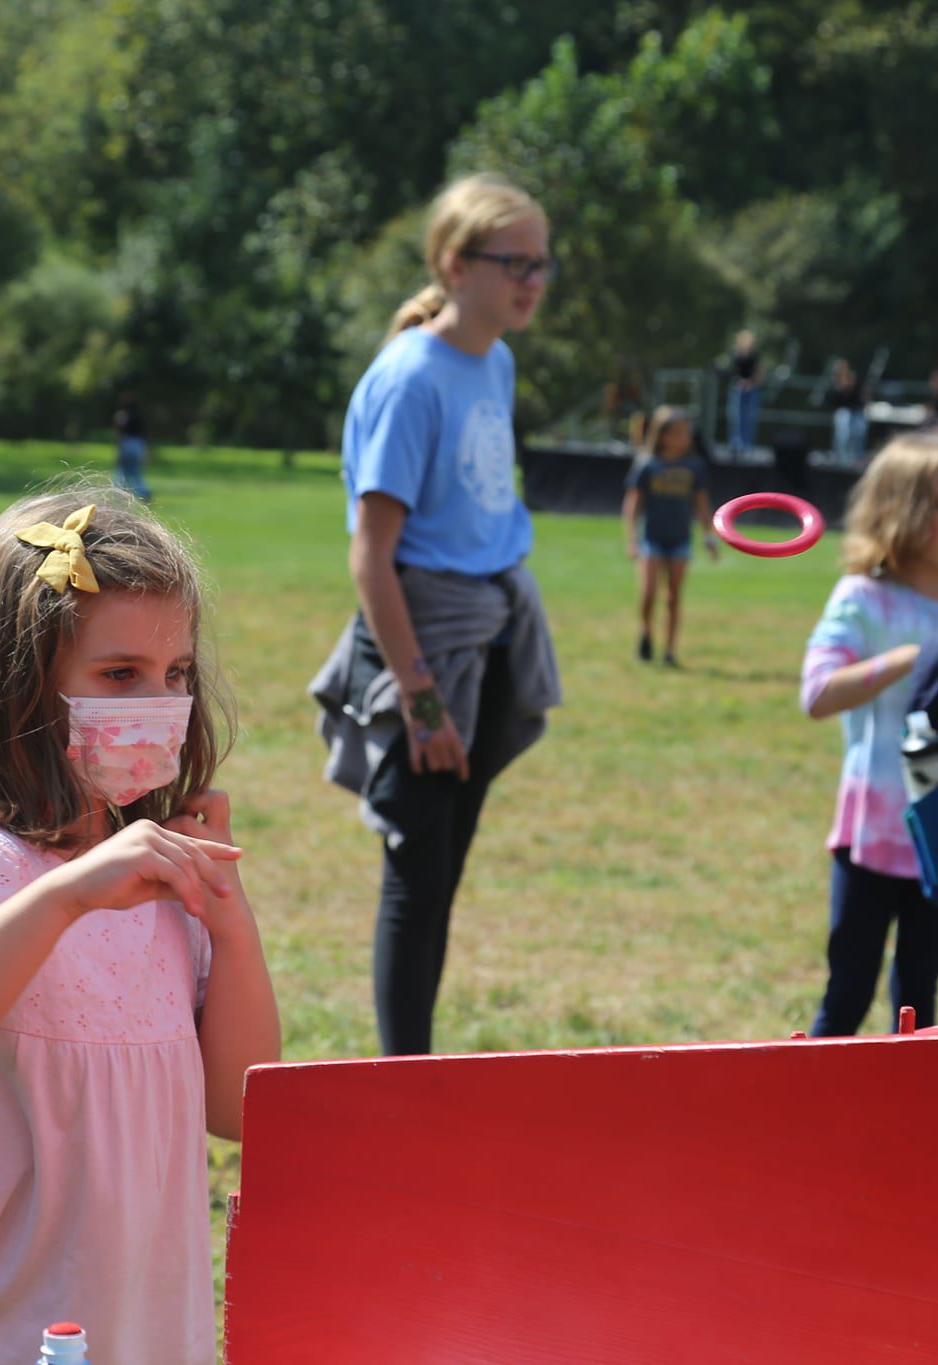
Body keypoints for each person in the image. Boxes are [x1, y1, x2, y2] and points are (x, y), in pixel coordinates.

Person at [0, 492, 280, 1365]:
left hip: (134, 1328)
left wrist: (228, 921)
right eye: (120, 675)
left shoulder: (161, 876)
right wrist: (69, 893)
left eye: (177, 673)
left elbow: (239, 1106)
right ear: (23, 684)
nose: (161, 700)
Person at [308, 173, 563, 1057]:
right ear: (455, 264)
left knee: (444, 871)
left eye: (542, 262)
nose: (531, 279)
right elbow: (371, 553)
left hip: (488, 636)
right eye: (513, 261)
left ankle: (413, 1069)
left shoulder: (493, 358)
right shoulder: (412, 378)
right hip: (427, 652)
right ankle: (402, 1081)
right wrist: (419, 698)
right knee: (415, 880)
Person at [798, 435, 938, 1033]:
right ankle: (817, 1109)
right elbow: (818, 693)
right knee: (848, 988)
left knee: (918, 996)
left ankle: (905, 1116)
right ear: (898, 510)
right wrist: (908, 660)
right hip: (872, 832)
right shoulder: (865, 598)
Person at [621, 405, 719, 666]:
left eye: (686, 432)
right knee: (649, 593)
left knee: (674, 597)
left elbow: (702, 504)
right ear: (662, 435)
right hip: (651, 538)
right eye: (676, 432)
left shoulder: (694, 466)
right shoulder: (647, 464)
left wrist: (709, 537)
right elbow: (632, 504)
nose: (683, 438)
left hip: (680, 539)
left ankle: (670, 651)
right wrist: (631, 540)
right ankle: (645, 632)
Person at [725, 328, 763, 456]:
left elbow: (758, 373)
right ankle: (736, 445)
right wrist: (741, 382)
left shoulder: (755, 356)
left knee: (749, 418)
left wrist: (751, 383)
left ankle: (747, 446)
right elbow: (732, 372)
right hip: (738, 389)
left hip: (751, 389)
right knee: (736, 417)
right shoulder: (736, 355)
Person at [826, 356, 869, 466]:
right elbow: (834, 402)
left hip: (857, 411)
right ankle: (840, 456)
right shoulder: (835, 383)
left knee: (859, 430)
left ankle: (858, 456)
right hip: (844, 412)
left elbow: (864, 394)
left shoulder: (854, 378)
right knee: (843, 424)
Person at [114, 390, 152, 500]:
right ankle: (142, 490)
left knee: (122, 470)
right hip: (139, 444)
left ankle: (119, 492)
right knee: (135, 471)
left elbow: (119, 434)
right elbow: (145, 433)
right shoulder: (139, 415)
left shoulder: (121, 416)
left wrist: (118, 450)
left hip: (126, 443)